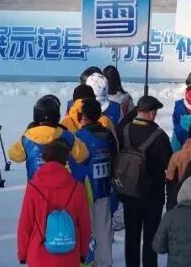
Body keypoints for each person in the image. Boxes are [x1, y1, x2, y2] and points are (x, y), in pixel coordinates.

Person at [16, 139, 92, 266]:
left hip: (39, 255)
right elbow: (85, 225)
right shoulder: (77, 188)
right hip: (69, 255)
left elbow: (25, 224)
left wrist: (22, 254)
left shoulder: (33, 187)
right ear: (65, 160)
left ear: (44, 158)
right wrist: (83, 253)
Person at [118, 95, 172, 267]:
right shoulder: (159, 136)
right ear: (151, 113)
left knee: (131, 236)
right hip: (152, 195)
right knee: (150, 237)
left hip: (129, 192)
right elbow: (168, 164)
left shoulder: (124, 130)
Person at [76, 99, 118, 267]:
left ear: (84, 116)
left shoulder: (79, 136)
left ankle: (86, 260)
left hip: (84, 189)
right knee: (104, 227)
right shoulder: (108, 135)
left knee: (84, 228)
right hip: (104, 188)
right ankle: (105, 262)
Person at [9, 95, 89, 181]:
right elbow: (83, 155)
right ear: (57, 115)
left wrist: (27, 132)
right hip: (61, 184)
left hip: (36, 186)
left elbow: (14, 156)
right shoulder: (68, 136)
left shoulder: (27, 138)